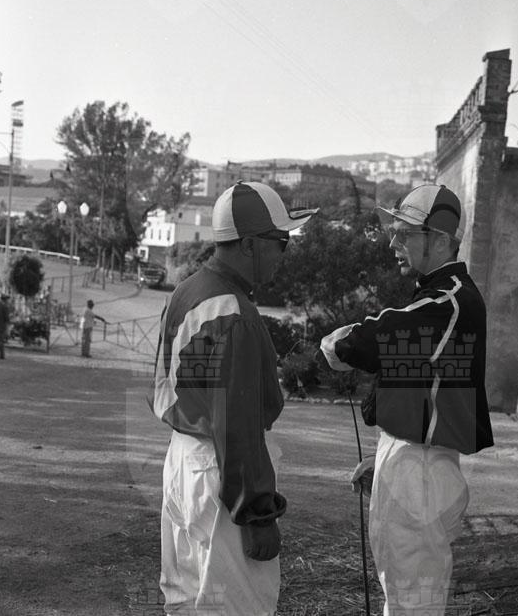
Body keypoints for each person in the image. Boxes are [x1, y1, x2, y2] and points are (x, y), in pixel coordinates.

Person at [321, 184, 494, 615]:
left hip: (422, 474)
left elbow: (372, 339)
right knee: (401, 599)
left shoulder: (451, 299)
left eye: (405, 233)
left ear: (441, 239)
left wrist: (337, 344)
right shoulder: (436, 295)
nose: (393, 244)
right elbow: (416, 385)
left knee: (413, 605)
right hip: (411, 463)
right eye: (394, 232)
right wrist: (386, 457)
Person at [149, 181, 317, 616]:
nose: (283, 253)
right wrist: (258, 514)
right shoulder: (234, 314)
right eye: (280, 241)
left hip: (183, 461)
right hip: (220, 472)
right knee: (238, 606)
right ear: (248, 244)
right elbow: (237, 424)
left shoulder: (188, 290)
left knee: (187, 601)